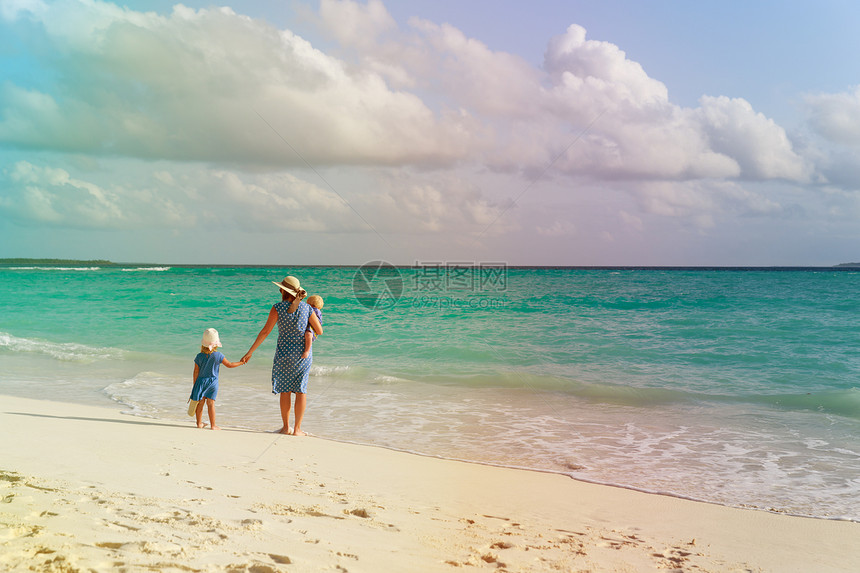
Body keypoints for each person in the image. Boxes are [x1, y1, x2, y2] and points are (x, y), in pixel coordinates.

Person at [242, 276, 323, 436]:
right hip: (303, 357)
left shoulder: (277, 308)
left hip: (284, 354)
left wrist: (249, 352)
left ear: (282, 291)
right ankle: (297, 429)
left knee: (285, 390)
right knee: (301, 391)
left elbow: (265, 332)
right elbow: (319, 331)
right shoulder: (307, 309)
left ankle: (286, 428)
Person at [190, 328, 244, 430]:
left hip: (201, 382)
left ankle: (199, 423)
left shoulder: (199, 356)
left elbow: (196, 371)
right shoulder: (218, 355)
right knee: (211, 404)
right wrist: (241, 362)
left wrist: (195, 384)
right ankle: (213, 425)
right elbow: (230, 365)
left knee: (200, 403)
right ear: (216, 343)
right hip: (213, 383)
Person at [301, 295, 324, 360]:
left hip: (312, 328)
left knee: (308, 335)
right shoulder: (314, 309)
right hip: (309, 326)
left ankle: (307, 351)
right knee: (307, 336)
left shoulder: (315, 310)